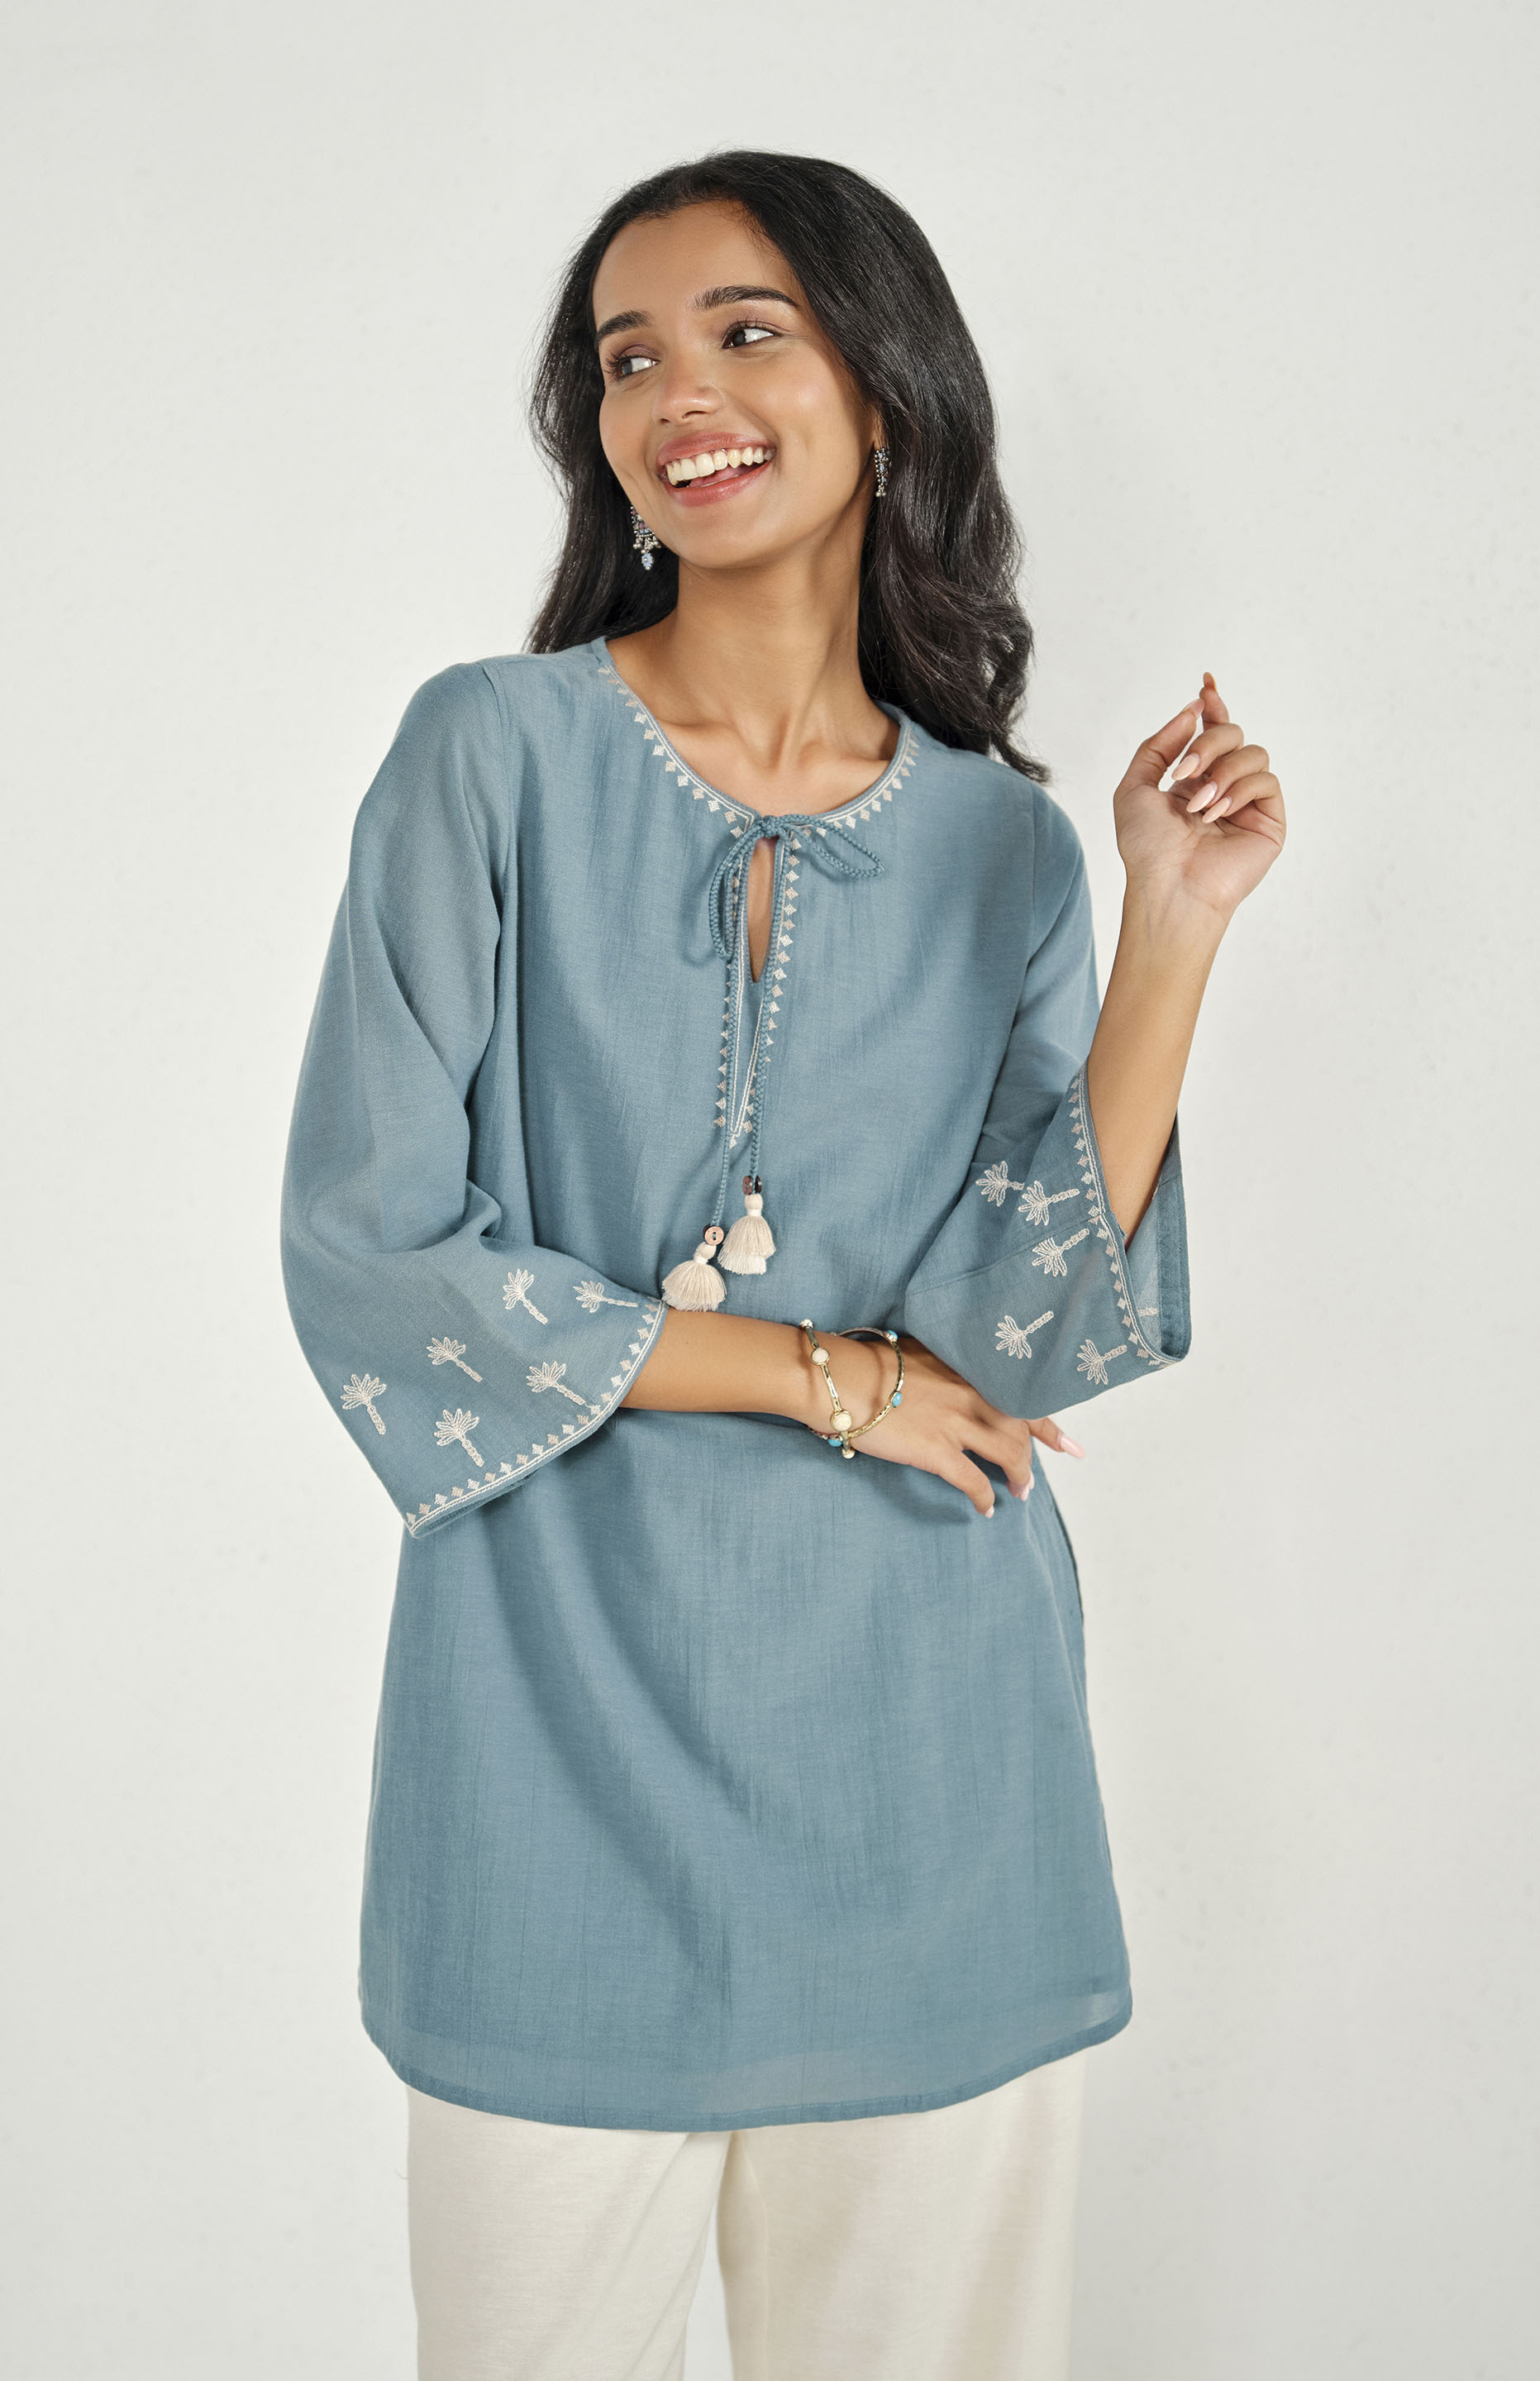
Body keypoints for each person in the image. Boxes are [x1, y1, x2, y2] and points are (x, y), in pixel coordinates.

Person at [280, 149, 1285, 2381]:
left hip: (929, 1759)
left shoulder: (1006, 845)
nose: (678, 393)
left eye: (749, 331)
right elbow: (373, 1252)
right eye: (628, 355)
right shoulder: (487, 756)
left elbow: (1024, 1338)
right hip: (546, 1754)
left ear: (886, 399)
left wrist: (1170, 927)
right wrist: (818, 1375)